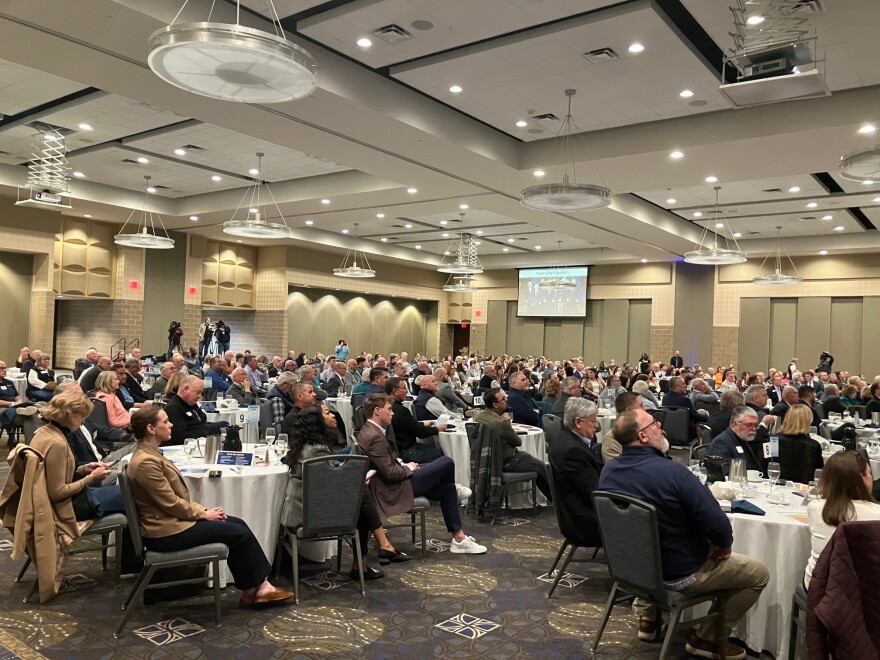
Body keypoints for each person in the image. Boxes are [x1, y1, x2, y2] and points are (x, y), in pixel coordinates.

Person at [599, 408, 769, 659]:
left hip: (631, 568)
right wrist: (722, 544)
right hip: (678, 573)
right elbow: (719, 525)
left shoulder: (608, 471)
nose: (661, 427)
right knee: (758, 574)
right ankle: (708, 639)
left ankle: (647, 617)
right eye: (654, 424)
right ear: (644, 437)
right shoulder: (674, 473)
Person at [126, 404, 292, 607]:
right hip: (164, 532)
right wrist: (204, 514)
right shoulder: (145, 462)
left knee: (238, 524)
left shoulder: (150, 454)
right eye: (165, 421)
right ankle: (258, 588)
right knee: (237, 533)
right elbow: (169, 503)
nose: (171, 425)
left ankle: (254, 589)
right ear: (151, 429)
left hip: (170, 522)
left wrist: (203, 512)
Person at [1, 390, 113, 601]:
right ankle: (134, 565)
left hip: (53, 500)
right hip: (64, 508)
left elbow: (54, 475)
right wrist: (91, 478)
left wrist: (83, 469)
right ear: (70, 414)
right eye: (81, 417)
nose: (82, 423)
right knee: (129, 497)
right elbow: (57, 492)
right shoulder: (58, 443)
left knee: (120, 494)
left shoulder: (43, 433)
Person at [282, 404, 412, 579]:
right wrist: (356, 482)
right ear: (317, 421)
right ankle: (375, 552)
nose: (333, 415)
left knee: (361, 499)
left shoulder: (307, 445)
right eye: (327, 413)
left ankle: (371, 556)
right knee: (362, 498)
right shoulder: (316, 450)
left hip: (306, 507)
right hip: (308, 515)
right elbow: (326, 485)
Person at [357, 394, 486, 554]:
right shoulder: (374, 436)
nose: (393, 413)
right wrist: (408, 468)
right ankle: (454, 490)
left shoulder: (369, 431)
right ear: (377, 411)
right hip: (393, 488)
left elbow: (385, 466)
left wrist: (402, 465)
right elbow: (390, 474)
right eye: (389, 409)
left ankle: (459, 538)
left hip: (393, 483)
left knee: (447, 491)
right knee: (446, 462)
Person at [804, 451, 880, 589]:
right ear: (861, 478)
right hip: (866, 590)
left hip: (819, 586)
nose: (871, 479)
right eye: (869, 474)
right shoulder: (877, 513)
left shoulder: (815, 507)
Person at [473, 388, 551, 500]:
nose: (506, 400)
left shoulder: (480, 416)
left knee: (535, 462)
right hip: (508, 461)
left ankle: (552, 496)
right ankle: (555, 498)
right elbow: (518, 442)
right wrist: (506, 423)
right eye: (503, 399)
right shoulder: (501, 423)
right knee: (541, 466)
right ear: (495, 405)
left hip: (488, 461)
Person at [547, 397, 603, 549]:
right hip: (584, 521)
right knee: (648, 518)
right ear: (578, 422)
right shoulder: (573, 451)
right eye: (593, 420)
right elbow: (595, 493)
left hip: (579, 511)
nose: (597, 425)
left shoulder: (566, 439)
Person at [385, 377, 445, 464]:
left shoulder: (389, 406)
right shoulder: (400, 410)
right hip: (406, 451)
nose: (406, 391)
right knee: (441, 454)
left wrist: (422, 424)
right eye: (404, 388)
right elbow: (420, 433)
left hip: (396, 450)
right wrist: (437, 429)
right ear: (395, 391)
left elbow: (407, 425)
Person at [706, 407, 775, 475]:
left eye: (756, 425)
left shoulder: (743, 438)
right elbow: (726, 475)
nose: (753, 429)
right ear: (735, 424)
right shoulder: (721, 443)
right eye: (749, 425)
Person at [777, 403, 824, 483]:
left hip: (775, 485)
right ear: (809, 420)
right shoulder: (813, 446)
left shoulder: (773, 440)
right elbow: (818, 473)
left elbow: (769, 465)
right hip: (804, 488)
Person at [163, 375, 210, 445]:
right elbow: (181, 436)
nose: (200, 396)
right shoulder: (173, 408)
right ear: (186, 389)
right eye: (197, 392)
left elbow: (202, 420)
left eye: (201, 393)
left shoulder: (191, 404)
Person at [600, 391, 642, 463]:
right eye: (641, 405)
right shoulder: (612, 439)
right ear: (628, 411)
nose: (645, 409)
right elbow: (621, 469)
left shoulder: (644, 430)